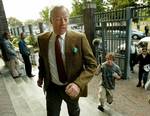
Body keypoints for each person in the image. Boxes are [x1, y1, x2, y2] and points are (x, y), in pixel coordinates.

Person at [37, 5, 97, 116]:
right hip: (52, 87)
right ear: (51, 20)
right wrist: (41, 77)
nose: (63, 22)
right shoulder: (42, 39)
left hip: (71, 87)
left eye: (65, 19)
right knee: (52, 113)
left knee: (74, 112)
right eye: (58, 19)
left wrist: (78, 84)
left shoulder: (79, 38)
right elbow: (42, 60)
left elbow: (92, 65)